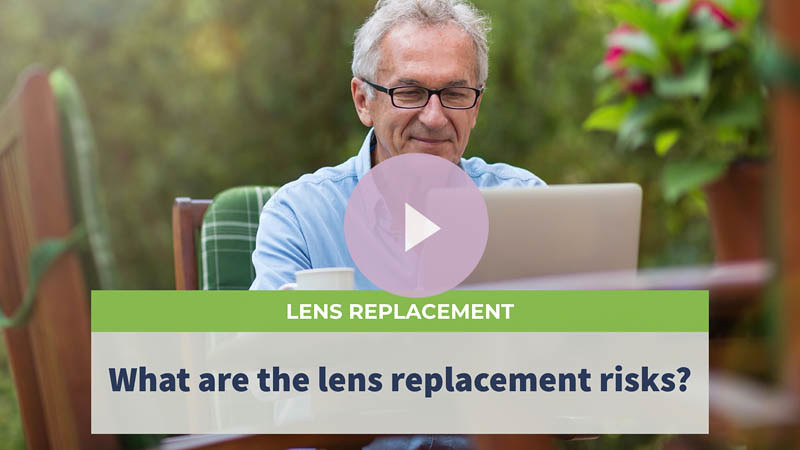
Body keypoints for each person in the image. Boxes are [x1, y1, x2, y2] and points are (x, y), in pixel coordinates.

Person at [250, 0, 545, 292]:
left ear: (476, 107)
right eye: (409, 92)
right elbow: (265, 336)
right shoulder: (302, 217)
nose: (434, 117)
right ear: (363, 101)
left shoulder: (529, 204)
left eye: (455, 93)